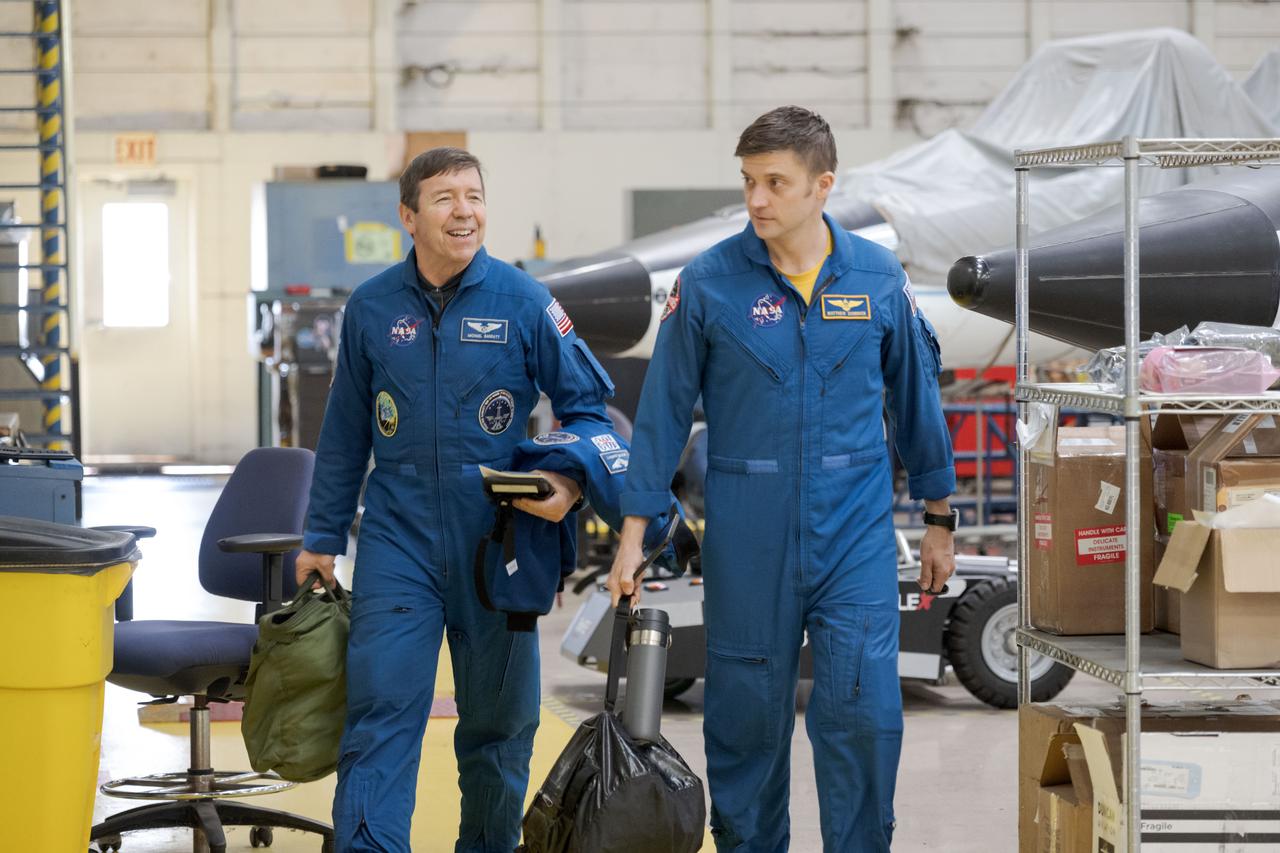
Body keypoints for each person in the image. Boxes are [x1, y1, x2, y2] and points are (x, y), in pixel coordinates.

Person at [608, 106, 957, 852]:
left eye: (775, 182)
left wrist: (939, 515)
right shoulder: (709, 282)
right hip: (748, 540)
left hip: (854, 537)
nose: (756, 199)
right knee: (745, 722)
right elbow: (662, 412)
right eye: (748, 181)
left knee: (863, 715)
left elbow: (915, 399)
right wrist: (633, 534)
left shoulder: (877, 276)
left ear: (822, 185)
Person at [294, 147, 616, 852]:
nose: (464, 211)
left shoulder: (525, 301)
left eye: (474, 196)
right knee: (380, 712)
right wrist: (321, 536)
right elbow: (345, 433)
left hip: (498, 541)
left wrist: (568, 482)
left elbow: (590, 411)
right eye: (444, 198)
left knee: (500, 726)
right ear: (408, 217)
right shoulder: (372, 307)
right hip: (398, 537)